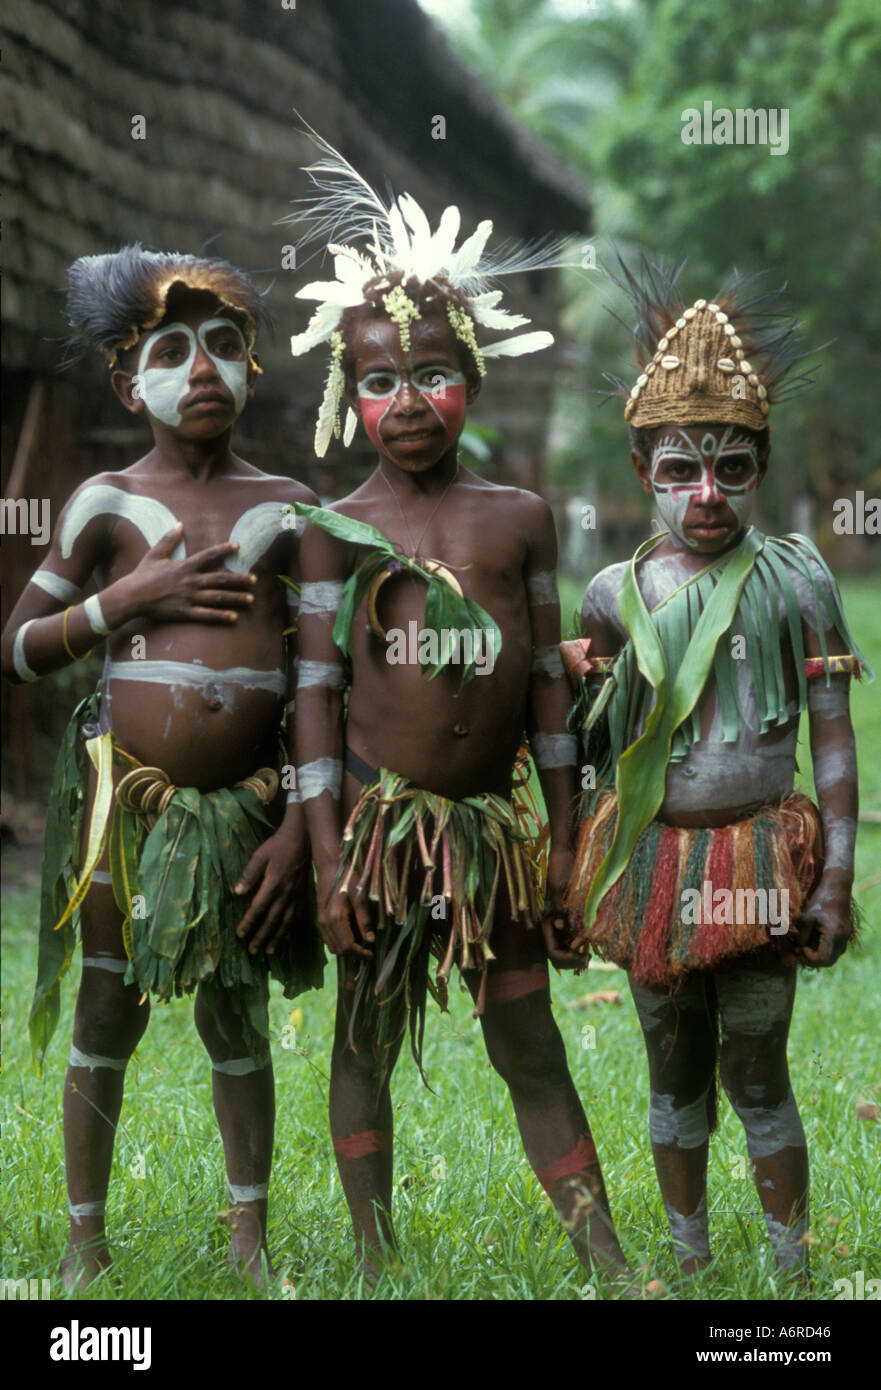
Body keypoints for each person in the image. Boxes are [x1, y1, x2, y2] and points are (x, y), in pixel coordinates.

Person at [286, 136, 630, 1284]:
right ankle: (374, 1255)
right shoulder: (329, 530)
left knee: (528, 1035)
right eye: (376, 380)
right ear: (347, 392)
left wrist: (571, 835)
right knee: (363, 1033)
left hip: (489, 832)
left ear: (470, 380)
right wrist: (330, 855)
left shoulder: (516, 518)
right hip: (381, 834)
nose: (407, 401)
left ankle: (601, 1250)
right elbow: (316, 698)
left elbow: (541, 681)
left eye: (429, 373)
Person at [1, 245, 324, 1286]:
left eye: (223, 347)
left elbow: (325, 677)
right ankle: (84, 1238)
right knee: (107, 1004)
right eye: (171, 350)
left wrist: (293, 822)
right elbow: (18, 645)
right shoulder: (105, 503)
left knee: (233, 1005)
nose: (199, 371)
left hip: (244, 805)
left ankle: (248, 1237)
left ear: (254, 367)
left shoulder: (286, 507)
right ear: (124, 379)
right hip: (122, 803)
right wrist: (122, 605)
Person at [564, 259, 869, 1282]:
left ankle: (789, 1265)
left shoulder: (794, 579)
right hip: (654, 861)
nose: (705, 493)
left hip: (757, 856)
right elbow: (590, 745)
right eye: (680, 468)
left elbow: (831, 728)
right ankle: (688, 1260)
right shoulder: (611, 594)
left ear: (760, 465)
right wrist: (577, 864)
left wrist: (829, 872)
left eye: (730, 468)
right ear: (642, 466)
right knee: (670, 1057)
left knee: (756, 1055)